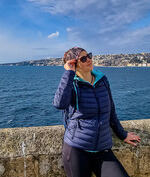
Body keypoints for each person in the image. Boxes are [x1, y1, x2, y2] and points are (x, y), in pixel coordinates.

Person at [53, 47, 140, 177]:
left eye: (89, 55)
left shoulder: (102, 81)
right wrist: (68, 73)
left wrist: (123, 135)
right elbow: (59, 104)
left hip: (102, 149)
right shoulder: (72, 84)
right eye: (83, 59)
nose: (89, 59)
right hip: (77, 149)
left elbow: (111, 111)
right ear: (75, 64)